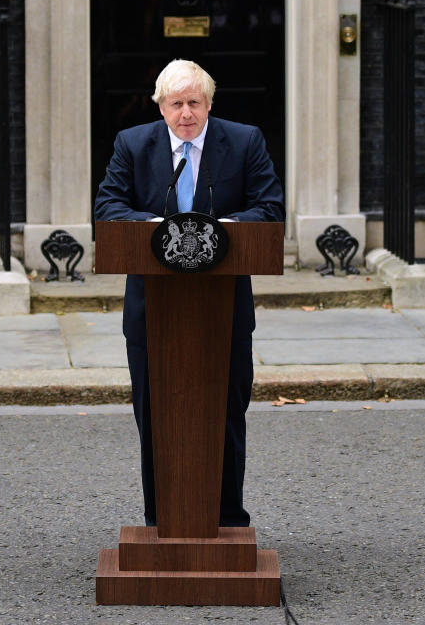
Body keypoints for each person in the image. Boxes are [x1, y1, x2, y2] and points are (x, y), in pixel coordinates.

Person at [94, 59, 284, 527]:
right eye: (176, 104)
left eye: (194, 103)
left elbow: (270, 206)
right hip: (152, 313)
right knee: (157, 416)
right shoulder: (132, 145)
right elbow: (109, 206)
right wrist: (160, 230)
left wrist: (221, 233)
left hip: (224, 312)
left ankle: (226, 517)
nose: (186, 114)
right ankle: (163, 519)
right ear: (160, 106)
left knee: (225, 412)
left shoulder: (243, 141)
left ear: (209, 104)